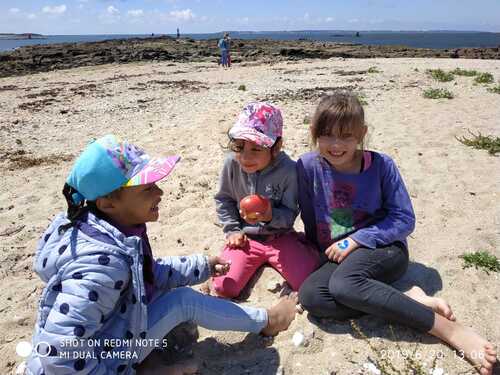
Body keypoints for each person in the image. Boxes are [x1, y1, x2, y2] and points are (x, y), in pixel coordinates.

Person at [25, 134, 298, 375]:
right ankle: (269, 321)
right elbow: (59, 354)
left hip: (107, 337)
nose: (160, 192)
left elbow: (146, 273)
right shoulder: (101, 266)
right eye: (147, 188)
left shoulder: (102, 226)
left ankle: (146, 361)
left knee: (159, 296)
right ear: (108, 202)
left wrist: (201, 266)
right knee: (183, 301)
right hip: (96, 363)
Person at [297, 92, 497, 375]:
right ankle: (409, 297)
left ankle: (448, 330)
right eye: (327, 135)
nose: (336, 144)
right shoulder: (307, 166)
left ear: (362, 134)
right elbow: (308, 213)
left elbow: (404, 219)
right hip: (338, 255)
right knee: (312, 297)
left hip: (384, 249)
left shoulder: (381, 166)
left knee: (343, 286)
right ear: (315, 133)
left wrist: (356, 239)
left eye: (346, 136)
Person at [207, 102, 320, 299]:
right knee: (225, 287)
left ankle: (303, 248)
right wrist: (232, 230)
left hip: (280, 237)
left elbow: (290, 213)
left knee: (308, 282)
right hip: (246, 239)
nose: (245, 156)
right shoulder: (231, 164)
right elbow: (224, 199)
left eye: (256, 149)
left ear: (276, 147)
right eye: (239, 146)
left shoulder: (288, 171)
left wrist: (270, 216)